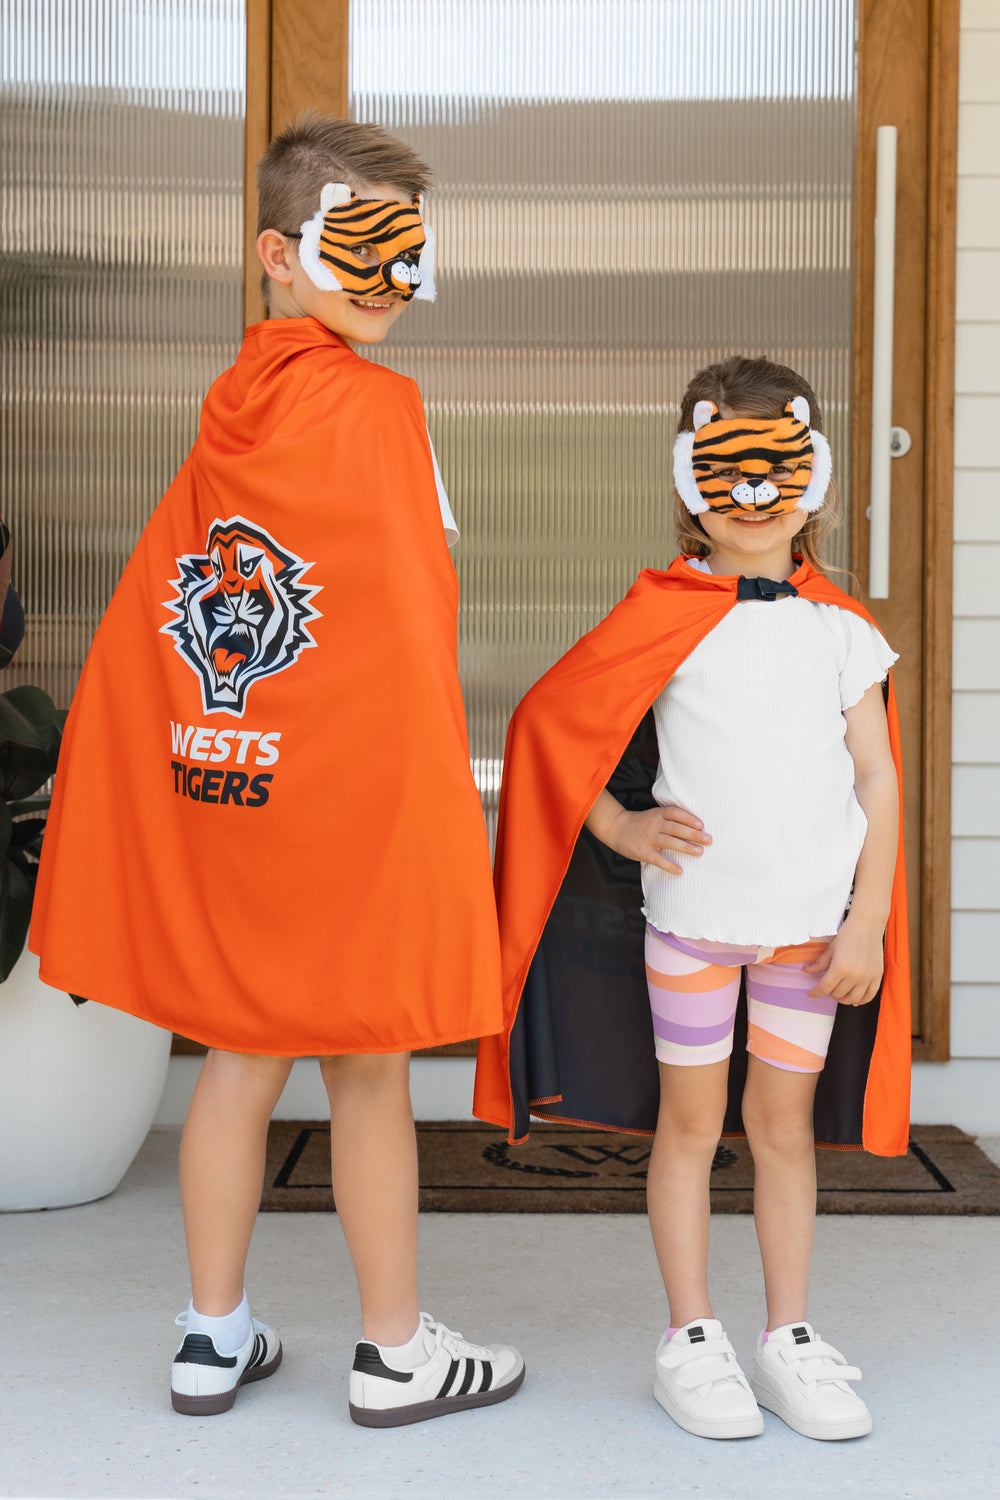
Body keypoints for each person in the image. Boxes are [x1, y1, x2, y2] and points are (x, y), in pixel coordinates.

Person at [30, 113, 524, 1428]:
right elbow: (409, 632)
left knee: (241, 1059)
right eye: (360, 245)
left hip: (237, 797)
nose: (389, 277)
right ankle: (394, 1349)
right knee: (364, 1067)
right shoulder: (381, 409)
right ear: (279, 255)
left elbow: (167, 611)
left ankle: (211, 1336)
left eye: (406, 250)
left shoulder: (231, 410)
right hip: (347, 813)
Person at [475, 355, 909, 1442]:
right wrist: (618, 826)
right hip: (693, 928)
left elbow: (876, 776)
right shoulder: (664, 611)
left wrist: (866, 917)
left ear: (809, 476)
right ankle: (692, 1335)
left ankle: (788, 1337)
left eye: (776, 467)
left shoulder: (839, 628)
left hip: (810, 935)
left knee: (783, 1129)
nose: (752, 499)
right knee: (688, 1127)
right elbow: (549, 724)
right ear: (689, 479)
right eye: (728, 469)